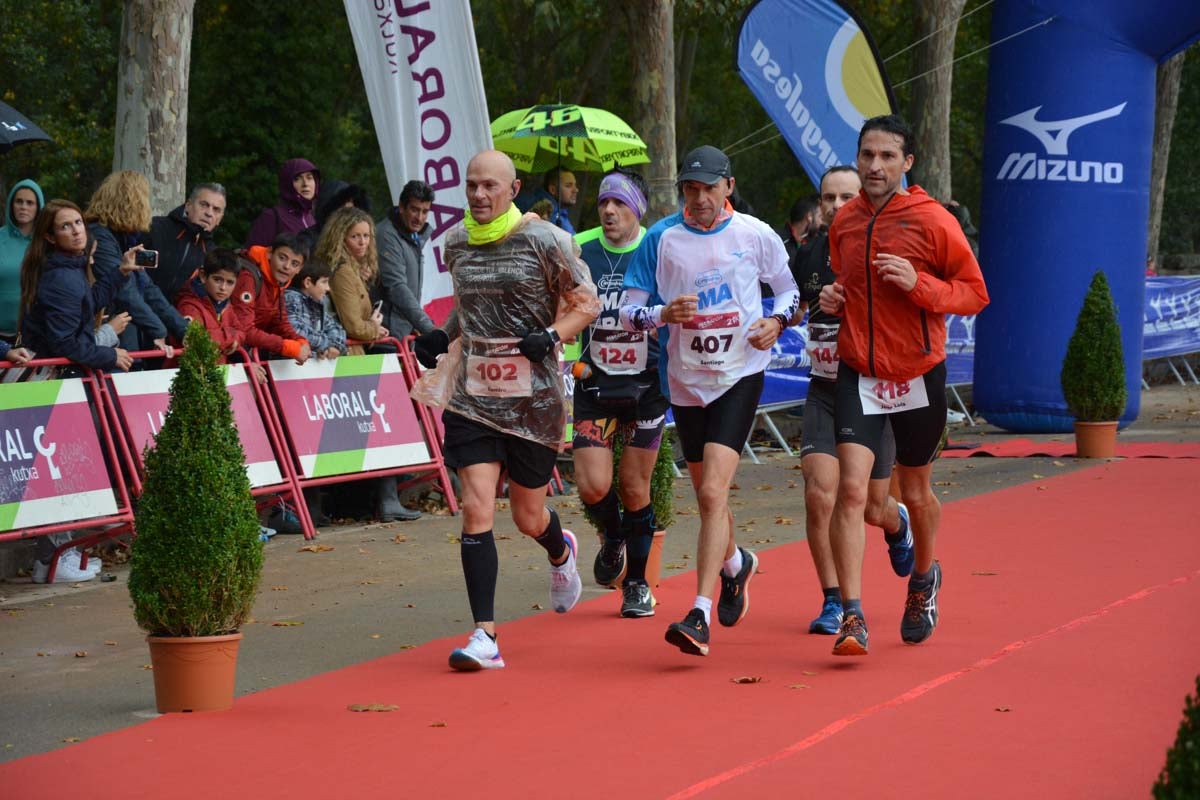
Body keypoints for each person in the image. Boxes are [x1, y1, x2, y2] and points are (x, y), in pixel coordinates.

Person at [410, 149, 599, 671]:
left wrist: (551, 335)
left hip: (533, 402)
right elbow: (469, 313)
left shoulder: (546, 241)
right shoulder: (457, 244)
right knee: (475, 507)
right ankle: (485, 636)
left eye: (490, 186)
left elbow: (587, 302)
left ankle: (560, 551)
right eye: (471, 185)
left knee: (526, 515)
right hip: (473, 397)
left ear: (513, 190)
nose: (478, 195)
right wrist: (439, 336)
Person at [619, 145, 800, 656]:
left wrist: (777, 322)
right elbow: (629, 313)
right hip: (686, 380)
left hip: (740, 374)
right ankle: (736, 564)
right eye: (689, 189)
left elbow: (787, 292)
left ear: (728, 187)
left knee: (714, 493)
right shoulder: (661, 238)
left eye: (706, 189)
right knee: (707, 496)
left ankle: (698, 613)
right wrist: (662, 314)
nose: (697, 198)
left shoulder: (754, 234)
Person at [818, 115, 989, 656]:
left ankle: (922, 580)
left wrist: (921, 286)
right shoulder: (843, 221)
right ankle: (852, 617)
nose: (874, 166)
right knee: (852, 492)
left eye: (887, 156)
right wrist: (833, 299)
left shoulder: (932, 220)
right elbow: (843, 282)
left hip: (917, 373)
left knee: (912, 493)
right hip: (859, 373)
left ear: (907, 163)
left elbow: (973, 293)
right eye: (867, 154)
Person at [793, 165, 913, 636]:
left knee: (867, 506)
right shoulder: (808, 250)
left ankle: (896, 523)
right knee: (820, 494)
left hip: (871, 391)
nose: (836, 207)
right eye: (828, 198)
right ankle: (833, 600)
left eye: (846, 197)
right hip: (824, 391)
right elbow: (793, 303)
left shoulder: (879, 243)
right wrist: (790, 312)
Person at [18, 199, 144, 582]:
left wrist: (120, 273)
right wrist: (110, 353)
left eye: (78, 223)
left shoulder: (68, 270)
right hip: (54, 385)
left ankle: (52, 561)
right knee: (59, 476)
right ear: (49, 236)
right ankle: (54, 561)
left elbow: (85, 306)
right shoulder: (60, 277)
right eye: (66, 226)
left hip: (62, 384)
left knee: (62, 473)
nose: (76, 230)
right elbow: (66, 344)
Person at [571, 168, 666, 618]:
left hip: (646, 386)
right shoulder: (580, 249)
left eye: (620, 204)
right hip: (594, 380)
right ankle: (613, 537)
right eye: (603, 203)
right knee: (593, 486)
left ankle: (638, 584)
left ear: (637, 210)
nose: (609, 210)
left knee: (634, 485)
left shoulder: (658, 247)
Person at [318, 206, 421, 523]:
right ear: (341, 237)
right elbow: (353, 325)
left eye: (366, 236)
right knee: (368, 436)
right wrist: (375, 328)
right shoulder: (343, 272)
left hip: (355, 359)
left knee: (363, 437)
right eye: (355, 237)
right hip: (350, 360)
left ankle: (373, 503)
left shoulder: (349, 269)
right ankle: (377, 503)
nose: (362, 242)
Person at [85, 171, 188, 357]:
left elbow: (148, 289)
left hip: (121, 335)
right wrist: (158, 330)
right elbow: (126, 293)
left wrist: (186, 331)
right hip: (104, 338)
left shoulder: (123, 238)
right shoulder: (99, 237)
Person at [231, 232, 312, 365]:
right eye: (282, 258)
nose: (286, 266)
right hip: (230, 351)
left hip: (246, 350)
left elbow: (280, 323)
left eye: (294, 263)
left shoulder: (278, 283)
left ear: (300, 269)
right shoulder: (248, 277)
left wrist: (300, 341)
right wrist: (286, 347)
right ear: (269, 253)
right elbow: (244, 329)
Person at [376, 180, 436, 340]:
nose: (420, 218)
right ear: (401, 207)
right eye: (415, 210)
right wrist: (428, 327)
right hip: (387, 335)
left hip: (403, 334)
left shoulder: (411, 236)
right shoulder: (386, 235)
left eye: (425, 211)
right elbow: (396, 287)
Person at [148, 182, 228, 303]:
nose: (209, 213)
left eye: (216, 210)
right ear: (188, 205)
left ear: (220, 219)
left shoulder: (214, 256)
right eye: (204, 205)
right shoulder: (155, 228)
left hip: (176, 319)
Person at [175, 248, 246, 361]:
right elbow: (198, 340)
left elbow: (241, 331)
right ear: (203, 276)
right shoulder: (189, 306)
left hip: (215, 371)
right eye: (217, 280)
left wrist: (236, 339)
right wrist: (230, 338)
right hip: (191, 373)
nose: (223, 288)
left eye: (230, 282)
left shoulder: (226, 305)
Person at [0, 179, 44, 337]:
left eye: (30, 202)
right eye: (19, 201)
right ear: (11, 204)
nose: (23, 207)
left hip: (33, 333)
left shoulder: (46, 243)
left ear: (39, 207)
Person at [245, 158, 320, 247]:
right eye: (297, 179)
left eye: (309, 178)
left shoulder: (313, 219)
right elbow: (252, 254)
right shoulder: (272, 216)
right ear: (287, 183)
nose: (305, 184)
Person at [284, 257, 347, 360]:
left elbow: (335, 327)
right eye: (324, 282)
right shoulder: (290, 299)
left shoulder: (317, 303)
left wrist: (335, 345)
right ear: (308, 282)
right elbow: (294, 330)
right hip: (287, 368)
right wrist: (324, 345)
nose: (328, 288)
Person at [526, 167, 578, 234]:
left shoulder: (560, 212)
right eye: (568, 186)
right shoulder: (549, 215)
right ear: (552, 189)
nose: (576, 190)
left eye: (575, 185)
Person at [780, 194, 818, 268]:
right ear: (810, 216)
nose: (822, 223)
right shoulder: (779, 240)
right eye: (820, 217)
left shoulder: (810, 248)